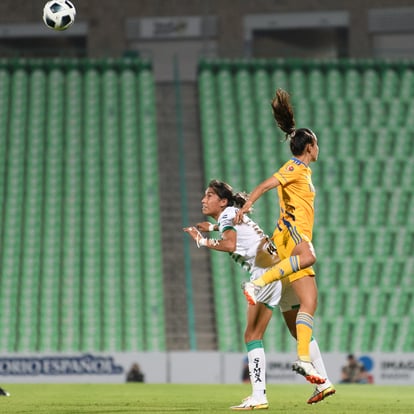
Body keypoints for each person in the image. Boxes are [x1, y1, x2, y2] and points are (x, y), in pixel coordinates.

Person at [184, 180, 335, 410]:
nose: (204, 200)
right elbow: (242, 235)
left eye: (209, 196)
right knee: (297, 329)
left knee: (252, 335)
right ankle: (324, 382)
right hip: (280, 267)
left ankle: (259, 395)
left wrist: (201, 240)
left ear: (222, 201)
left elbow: (231, 244)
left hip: (265, 272)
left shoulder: (227, 215)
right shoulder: (232, 214)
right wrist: (212, 228)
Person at [234, 88, 324, 385]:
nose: (318, 148)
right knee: (309, 256)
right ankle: (258, 281)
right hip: (292, 232)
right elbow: (266, 183)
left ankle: (303, 360)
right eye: (317, 143)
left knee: (308, 303)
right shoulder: (295, 167)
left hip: (294, 234)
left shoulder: (304, 172)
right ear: (309, 145)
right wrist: (247, 204)